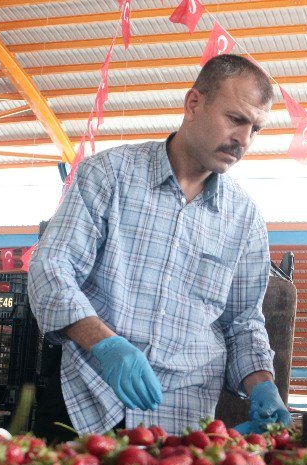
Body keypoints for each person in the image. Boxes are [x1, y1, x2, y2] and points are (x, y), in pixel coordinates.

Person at [28, 54, 290, 439]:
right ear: (194, 104)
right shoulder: (109, 175)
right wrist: (106, 344)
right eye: (236, 119)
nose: (243, 140)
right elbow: (51, 269)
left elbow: (242, 322)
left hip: (184, 423)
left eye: (256, 129)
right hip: (89, 402)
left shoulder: (245, 218)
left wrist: (262, 383)